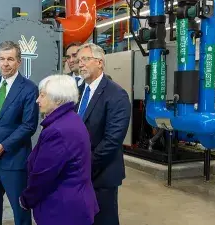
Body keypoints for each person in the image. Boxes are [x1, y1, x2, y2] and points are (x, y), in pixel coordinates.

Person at [19, 75, 99, 225]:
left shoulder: (58, 131)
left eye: (42, 95)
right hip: (74, 203)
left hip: (62, 210)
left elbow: (44, 175)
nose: (38, 100)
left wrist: (26, 199)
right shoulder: (71, 119)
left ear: (58, 100)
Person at [0, 41, 39, 225]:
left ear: (19, 62)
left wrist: (3, 147)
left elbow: (28, 126)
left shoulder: (28, 88)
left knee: (20, 212)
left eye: (10, 59)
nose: (5, 63)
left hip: (14, 161)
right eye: (2, 59)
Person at [76, 43, 131, 225]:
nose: (80, 64)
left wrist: (85, 165)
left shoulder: (116, 95)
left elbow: (112, 140)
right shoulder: (80, 91)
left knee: (104, 220)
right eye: (79, 60)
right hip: (79, 171)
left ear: (100, 62)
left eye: (85, 59)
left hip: (102, 174)